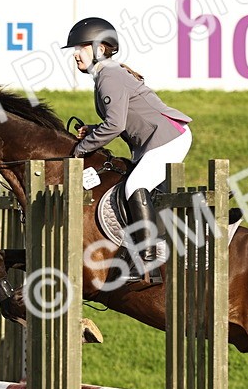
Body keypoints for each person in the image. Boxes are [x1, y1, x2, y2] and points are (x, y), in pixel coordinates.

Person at [66, 17, 193, 277]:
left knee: (136, 186)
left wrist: (80, 150)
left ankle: (149, 257)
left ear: (100, 49)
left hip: (167, 139)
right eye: (75, 49)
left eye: (81, 48)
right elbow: (120, 120)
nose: (76, 55)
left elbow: (114, 126)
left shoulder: (109, 75)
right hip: (159, 139)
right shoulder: (106, 74)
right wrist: (92, 130)